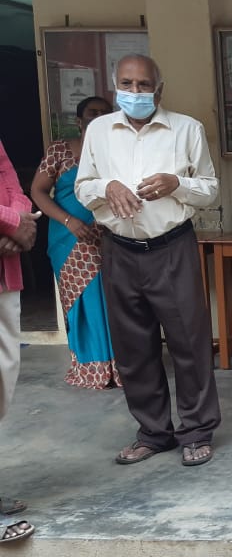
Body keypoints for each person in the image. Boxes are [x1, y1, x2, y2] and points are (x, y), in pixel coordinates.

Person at [75, 54, 222, 467]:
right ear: (114, 86)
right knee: (133, 347)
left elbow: (210, 189)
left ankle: (196, 430)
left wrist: (178, 183)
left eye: (143, 85)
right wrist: (108, 186)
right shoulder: (99, 132)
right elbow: (84, 186)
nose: (135, 93)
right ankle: (153, 432)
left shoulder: (186, 128)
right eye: (127, 84)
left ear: (159, 89)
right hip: (119, 249)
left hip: (172, 246)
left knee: (189, 343)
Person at [30, 96, 120, 389]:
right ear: (79, 120)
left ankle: (120, 368)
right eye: (92, 113)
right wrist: (70, 222)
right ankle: (91, 367)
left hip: (110, 236)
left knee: (113, 300)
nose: (98, 117)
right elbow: (38, 191)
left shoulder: (118, 151)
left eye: (105, 113)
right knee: (82, 301)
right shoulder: (60, 150)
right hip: (68, 239)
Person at [0, 137, 38, 543]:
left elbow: (9, 179)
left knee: (2, 381)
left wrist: (18, 221)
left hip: (4, 272)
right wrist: (12, 224)